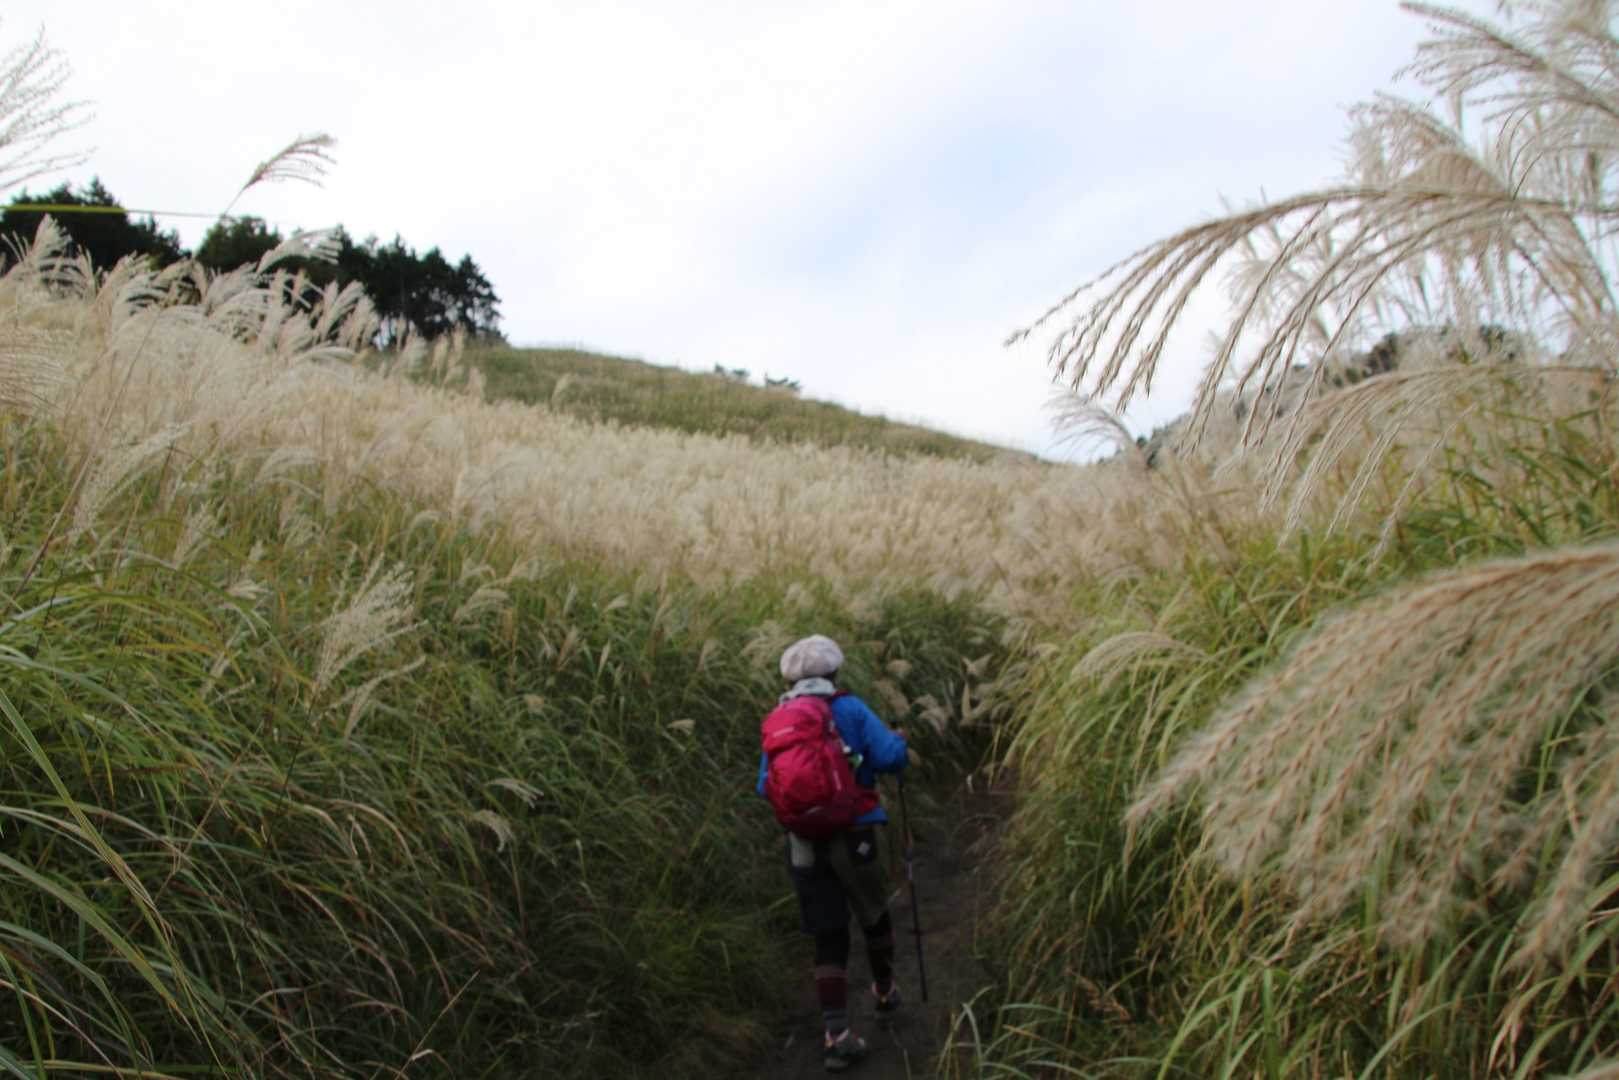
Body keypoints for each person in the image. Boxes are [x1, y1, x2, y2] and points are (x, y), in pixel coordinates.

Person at [757, 634, 910, 1073]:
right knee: (874, 915)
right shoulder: (850, 708)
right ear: (835, 672)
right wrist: (898, 744)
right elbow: (889, 757)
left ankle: (836, 1035)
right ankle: (885, 992)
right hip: (856, 832)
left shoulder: (778, 720)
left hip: (803, 841)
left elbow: (764, 785)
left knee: (828, 934)